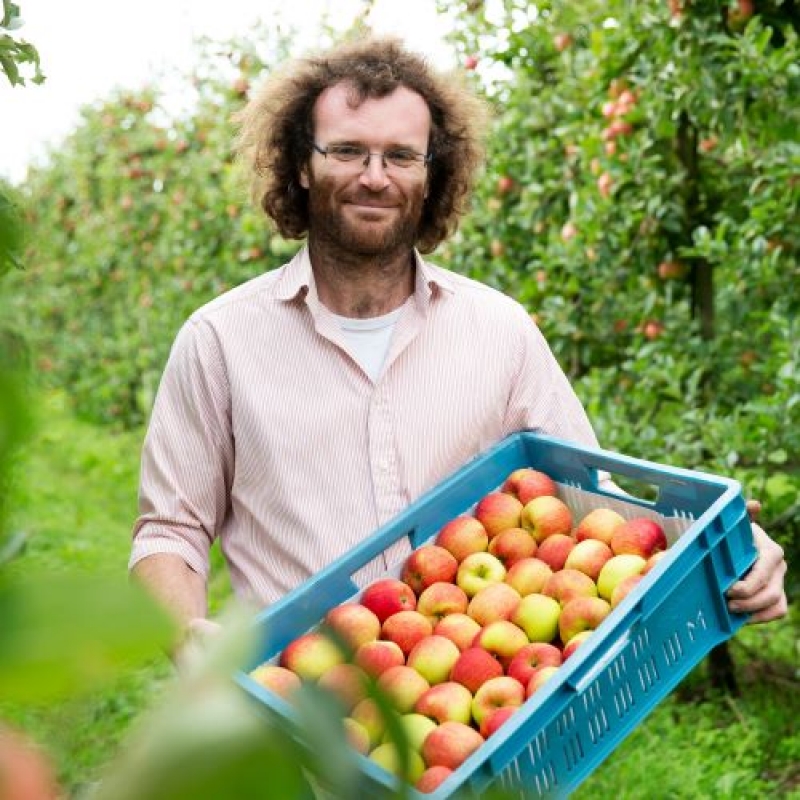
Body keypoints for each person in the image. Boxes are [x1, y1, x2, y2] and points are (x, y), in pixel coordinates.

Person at [129, 36, 787, 653]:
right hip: (289, 706)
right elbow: (171, 529)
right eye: (347, 151)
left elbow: (596, 502)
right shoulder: (221, 340)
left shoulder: (499, 332)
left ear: (431, 174)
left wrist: (725, 541)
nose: (374, 176)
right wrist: (185, 633)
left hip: (471, 716)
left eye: (401, 156)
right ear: (302, 165)